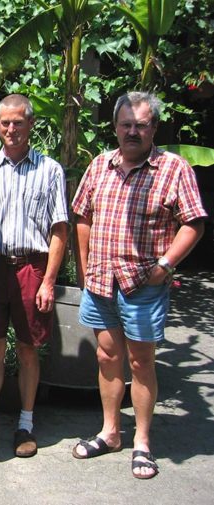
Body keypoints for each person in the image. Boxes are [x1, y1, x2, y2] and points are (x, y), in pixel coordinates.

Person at [71, 92, 206, 479]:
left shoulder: (173, 168)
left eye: (140, 125)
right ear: (115, 127)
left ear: (154, 129)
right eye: (126, 124)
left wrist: (165, 265)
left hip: (142, 284)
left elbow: (193, 222)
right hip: (100, 281)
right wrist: (82, 269)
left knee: (140, 361)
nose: (132, 131)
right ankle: (110, 432)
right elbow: (83, 216)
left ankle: (142, 441)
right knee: (107, 357)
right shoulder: (99, 166)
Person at [0, 94, 69, 458]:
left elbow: (59, 228)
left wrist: (49, 280)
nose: (11, 129)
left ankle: (26, 422)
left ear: (31, 124)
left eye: (18, 123)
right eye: (5, 123)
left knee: (28, 348)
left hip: (32, 266)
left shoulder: (50, 170)